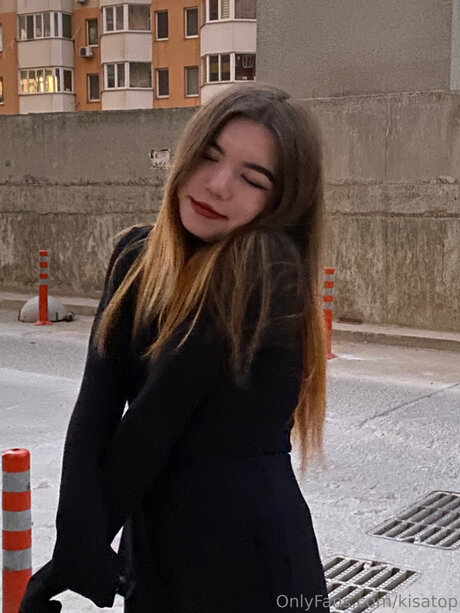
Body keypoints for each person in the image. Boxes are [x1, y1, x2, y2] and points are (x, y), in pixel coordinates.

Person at [20, 83, 330, 612]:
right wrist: (76, 540)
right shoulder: (137, 256)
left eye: (252, 179)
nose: (218, 185)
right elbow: (96, 406)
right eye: (209, 156)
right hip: (157, 548)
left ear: (281, 203)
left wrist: (72, 560)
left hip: (250, 561)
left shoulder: (265, 266)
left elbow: (154, 419)